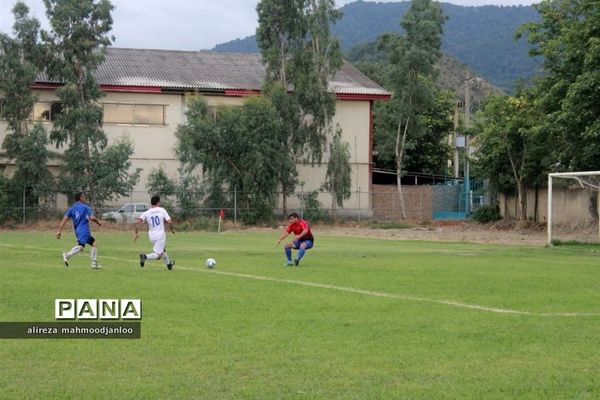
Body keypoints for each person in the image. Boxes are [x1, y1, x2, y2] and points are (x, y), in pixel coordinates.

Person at [56, 192, 103, 269]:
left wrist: (59, 231)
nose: (85, 198)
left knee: (94, 243)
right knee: (81, 247)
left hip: (78, 230)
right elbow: (92, 217)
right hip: (84, 230)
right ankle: (67, 255)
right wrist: (99, 222)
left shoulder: (72, 208)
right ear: (81, 198)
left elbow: (64, 219)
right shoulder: (85, 207)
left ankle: (94, 263)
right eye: (84, 197)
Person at [134, 195, 176, 270]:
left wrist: (136, 233)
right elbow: (169, 221)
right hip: (160, 236)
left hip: (152, 237)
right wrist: (172, 229)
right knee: (158, 255)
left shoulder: (147, 212)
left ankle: (169, 264)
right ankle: (145, 256)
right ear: (158, 203)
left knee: (163, 250)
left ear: (151, 203)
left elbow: (137, 223)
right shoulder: (162, 210)